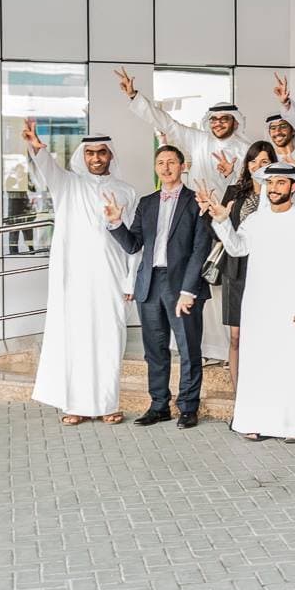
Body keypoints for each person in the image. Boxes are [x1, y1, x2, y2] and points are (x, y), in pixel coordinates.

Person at [23, 121, 138, 426]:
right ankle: (75, 405)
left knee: (111, 339)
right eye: (91, 153)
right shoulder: (68, 185)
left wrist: (131, 279)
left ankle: (108, 404)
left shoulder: (126, 191)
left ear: (111, 155)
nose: (96, 158)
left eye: (102, 152)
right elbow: (47, 168)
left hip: (112, 277)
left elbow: (136, 243)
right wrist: (37, 145)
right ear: (83, 156)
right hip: (75, 279)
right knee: (77, 340)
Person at [199, 163, 295, 442]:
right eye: (271, 183)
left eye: (281, 183)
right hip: (258, 303)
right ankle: (256, 421)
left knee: (292, 365)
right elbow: (237, 248)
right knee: (259, 364)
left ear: (293, 186)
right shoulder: (256, 220)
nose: (275, 189)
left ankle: (293, 427)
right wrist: (221, 221)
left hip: (293, 305)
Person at [106, 145, 212, 430]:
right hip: (149, 284)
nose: (166, 168)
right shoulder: (147, 202)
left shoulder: (196, 201)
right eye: (161, 163)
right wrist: (116, 222)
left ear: (182, 166)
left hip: (183, 286)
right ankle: (158, 406)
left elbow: (200, 249)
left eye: (171, 162)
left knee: (189, 348)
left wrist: (189, 290)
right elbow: (133, 245)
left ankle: (188, 407)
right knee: (154, 350)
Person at [116, 67, 250, 194]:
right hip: (196, 210)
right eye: (214, 119)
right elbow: (167, 124)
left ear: (235, 122)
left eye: (224, 119)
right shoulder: (199, 139)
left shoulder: (246, 149)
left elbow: (250, 186)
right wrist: (133, 95)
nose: (218, 124)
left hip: (228, 211)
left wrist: (229, 174)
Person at [218, 142, 277, 395]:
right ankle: (239, 394)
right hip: (237, 271)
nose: (257, 167)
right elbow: (220, 229)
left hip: (268, 273)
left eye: (264, 162)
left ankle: (263, 391)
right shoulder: (234, 191)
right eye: (253, 162)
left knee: (265, 336)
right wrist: (210, 215)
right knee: (236, 336)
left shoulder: (279, 193)